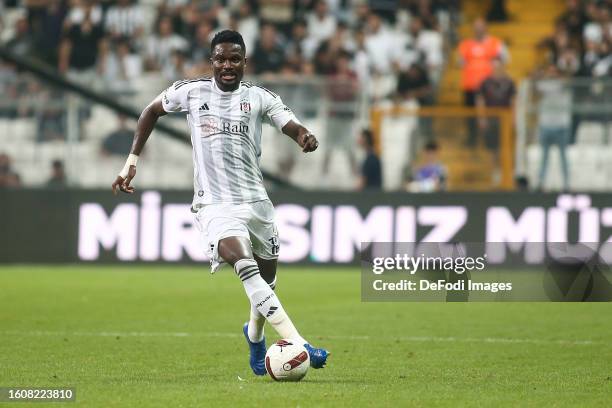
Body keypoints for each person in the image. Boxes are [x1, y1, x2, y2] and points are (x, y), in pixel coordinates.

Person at [111, 30, 329, 375]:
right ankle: (301, 343)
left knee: (266, 285)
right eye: (221, 59)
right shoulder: (191, 91)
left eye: (234, 59)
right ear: (212, 61)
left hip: (256, 203)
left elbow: (289, 123)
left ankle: (255, 336)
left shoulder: (258, 97)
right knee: (246, 267)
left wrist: (304, 135)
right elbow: (150, 111)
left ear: (244, 62)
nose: (227, 65)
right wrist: (131, 161)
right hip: (215, 204)